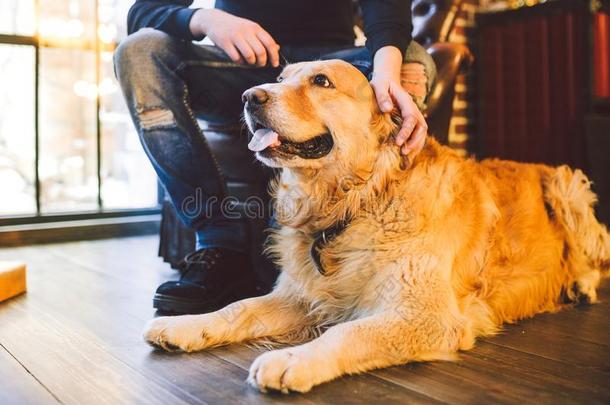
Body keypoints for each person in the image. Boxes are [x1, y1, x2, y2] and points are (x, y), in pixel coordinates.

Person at [114, 0, 434, 314]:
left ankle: (378, 239)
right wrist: (208, 20)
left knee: (411, 59)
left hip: (332, 62)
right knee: (138, 51)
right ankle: (220, 241)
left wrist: (387, 75)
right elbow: (144, 11)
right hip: (234, 65)